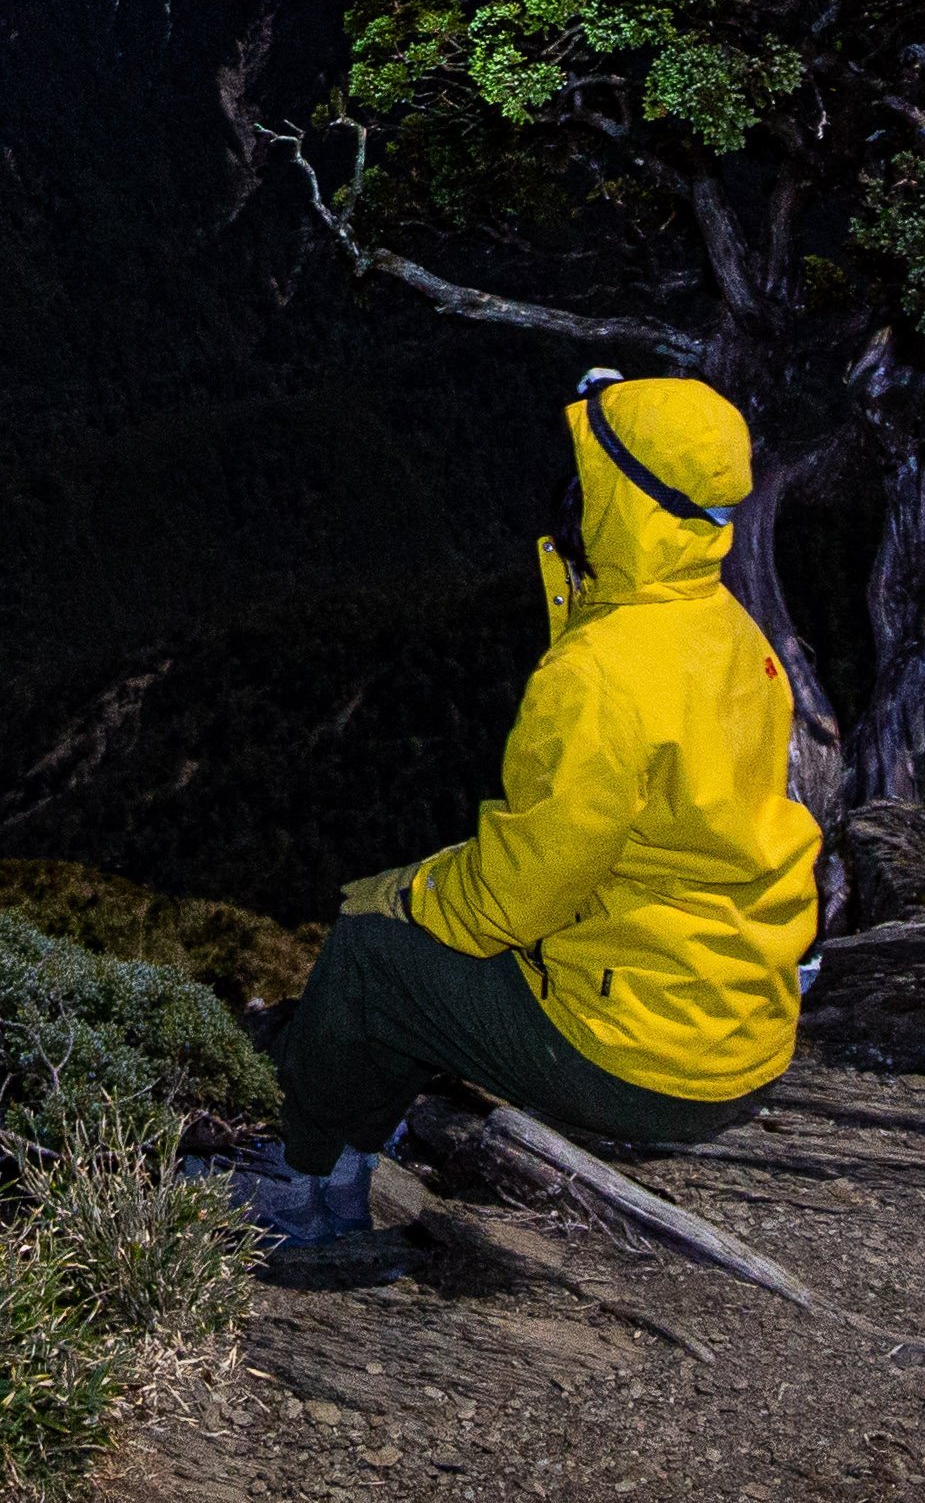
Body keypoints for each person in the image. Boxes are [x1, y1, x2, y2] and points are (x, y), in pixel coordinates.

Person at [229, 366, 825, 1250]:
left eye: (586, 479)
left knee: (372, 952)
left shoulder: (599, 674)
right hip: (737, 1028)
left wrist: (398, 891)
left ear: (619, 500)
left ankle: (304, 1187)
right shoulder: (732, 632)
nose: (567, 493)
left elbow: (511, 902)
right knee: (432, 946)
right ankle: (362, 1134)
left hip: (644, 1058)